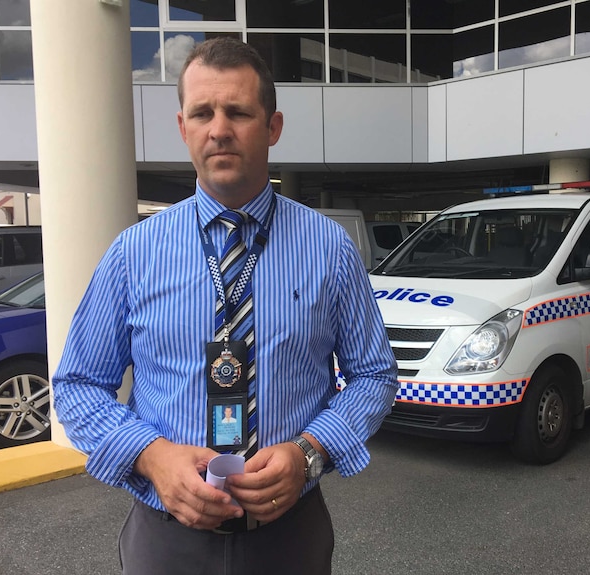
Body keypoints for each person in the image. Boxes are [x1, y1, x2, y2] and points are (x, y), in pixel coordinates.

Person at [52, 37, 399, 575]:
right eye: (202, 113)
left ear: (273, 126)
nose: (219, 129)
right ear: (182, 126)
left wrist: (309, 451)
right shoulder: (133, 254)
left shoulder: (329, 249)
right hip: (166, 540)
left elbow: (375, 374)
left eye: (238, 111)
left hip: (290, 539)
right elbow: (77, 383)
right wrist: (149, 455)